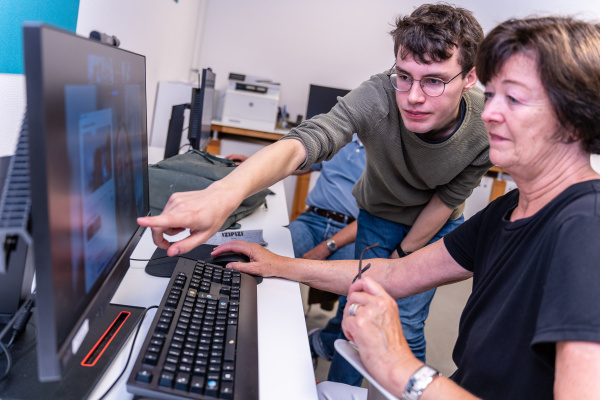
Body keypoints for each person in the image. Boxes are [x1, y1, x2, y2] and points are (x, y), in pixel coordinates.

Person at [211, 16, 600, 399]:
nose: (490, 112)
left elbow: (441, 209)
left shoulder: (586, 228)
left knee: (405, 324)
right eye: (494, 94)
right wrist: (278, 265)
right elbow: (394, 274)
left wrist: (401, 367)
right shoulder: (508, 210)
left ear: (576, 117)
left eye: (513, 98)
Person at [138, 3, 491, 386]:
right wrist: (226, 191)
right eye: (404, 76)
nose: (413, 97)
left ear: (469, 77)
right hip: (379, 214)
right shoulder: (378, 94)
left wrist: (403, 257)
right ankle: (340, 391)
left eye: (434, 81)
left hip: (434, 223)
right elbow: (308, 140)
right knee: (360, 314)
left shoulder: (486, 126)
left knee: (406, 321)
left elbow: (448, 198)